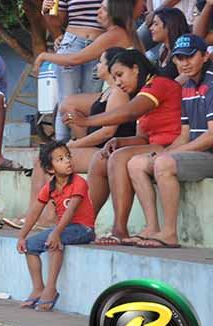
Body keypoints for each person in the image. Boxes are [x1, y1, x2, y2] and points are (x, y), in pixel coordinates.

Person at [64, 50, 181, 244]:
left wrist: (87, 121)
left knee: (118, 157)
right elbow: (142, 138)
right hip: (154, 146)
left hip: (172, 147)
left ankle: (119, 229)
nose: (118, 82)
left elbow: (129, 113)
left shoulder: (158, 84)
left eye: (120, 75)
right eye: (115, 78)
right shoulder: (142, 91)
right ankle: (84, 224)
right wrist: (121, 141)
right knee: (101, 158)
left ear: (135, 69)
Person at [14, 48, 134, 226]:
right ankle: (34, 214)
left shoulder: (119, 93)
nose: (97, 66)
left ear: (110, 66)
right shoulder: (108, 92)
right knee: (42, 160)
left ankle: (50, 216)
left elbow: (108, 132)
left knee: (51, 160)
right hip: (96, 148)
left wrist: (76, 144)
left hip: (106, 150)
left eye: (101, 62)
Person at [127, 35, 213, 248]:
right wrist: (165, 152)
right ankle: (152, 228)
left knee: (164, 163)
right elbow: (184, 135)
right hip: (198, 153)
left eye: (190, 56)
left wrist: (169, 155)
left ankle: (169, 233)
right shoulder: (187, 86)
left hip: (209, 154)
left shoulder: (211, 83)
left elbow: (211, 136)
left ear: (205, 56)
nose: (184, 63)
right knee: (136, 163)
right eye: (180, 58)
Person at [42, 0, 119, 141]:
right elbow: (57, 22)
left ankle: (85, 144)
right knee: (66, 99)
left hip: (100, 47)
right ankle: (61, 144)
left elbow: (121, 16)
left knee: (90, 99)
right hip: (72, 44)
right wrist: (46, 12)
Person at [16, 141, 96, 312]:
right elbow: (35, 211)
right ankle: (38, 288)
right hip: (64, 228)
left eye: (68, 156)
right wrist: (22, 236)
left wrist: (56, 232)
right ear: (50, 169)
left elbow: (71, 210)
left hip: (83, 228)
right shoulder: (50, 187)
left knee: (54, 242)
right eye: (60, 159)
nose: (67, 161)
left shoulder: (79, 182)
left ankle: (51, 289)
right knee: (29, 246)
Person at [35, 0, 143, 71]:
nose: (98, 12)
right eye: (100, 7)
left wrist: (43, 56)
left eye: (104, 9)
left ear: (115, 14)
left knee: (69, 98)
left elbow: (75, 59)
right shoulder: (120, 33)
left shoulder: (114, 34)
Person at [148, 7, 189, 79]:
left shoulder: (182, 52)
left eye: (156, 24)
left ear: (169, 26)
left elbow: (185, 77)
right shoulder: (163, 50)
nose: (151, 28)